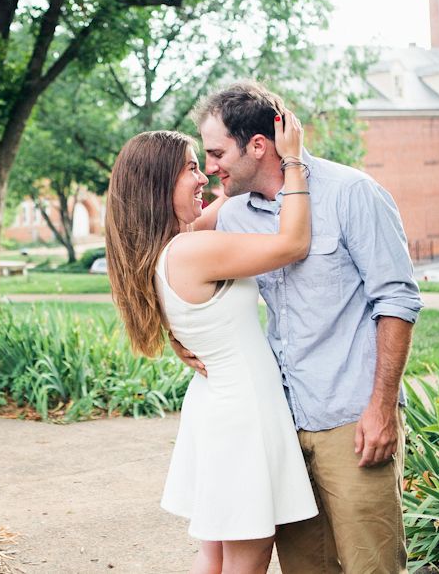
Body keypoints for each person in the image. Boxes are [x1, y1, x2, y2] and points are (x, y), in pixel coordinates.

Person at [172, 80, 424, 574]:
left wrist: (381, 408)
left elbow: (397, 300)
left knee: (371, 565)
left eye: (218, 153)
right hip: (282, 424)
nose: (213, 166)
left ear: (259, 145)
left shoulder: (354, 193)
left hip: (351, 419)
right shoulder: (234, 214)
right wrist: (179, 333)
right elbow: (160, 256)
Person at [104, 111, 318, 574]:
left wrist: (234, 170)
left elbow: (225, 195)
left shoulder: (167, 246)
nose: (204, 174)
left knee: (217, 553)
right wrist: (295, 161)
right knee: (250, 549)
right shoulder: (191, 250)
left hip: (218, 403)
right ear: (160, 185)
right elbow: (293, 243)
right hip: (241, 411)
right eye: (190, 168)